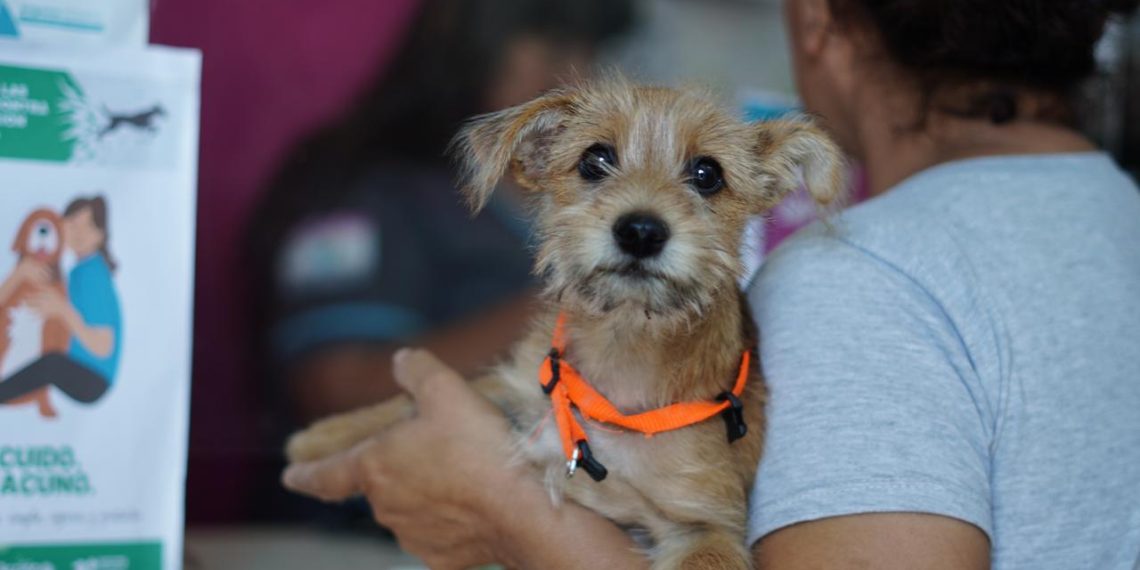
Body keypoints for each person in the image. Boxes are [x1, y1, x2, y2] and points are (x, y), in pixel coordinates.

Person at [283, 1, 1140, 568]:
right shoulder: (1122, 215)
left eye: (704, 176)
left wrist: (506, 514)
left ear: (816, 19)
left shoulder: (858, 277)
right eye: (599, 162)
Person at [246, 0, 634, 428]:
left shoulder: (575, 196)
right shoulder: (370, 192)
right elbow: (336, 392)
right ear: (472, 48)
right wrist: (567, 313)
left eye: (590, 55)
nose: (576, 82)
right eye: (556, 51)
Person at [0, 196, 122, 405]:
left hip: (92, 377)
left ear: (100, 234)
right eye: (73, 224)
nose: (79, 233)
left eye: (88, 226)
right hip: (76, 365)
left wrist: (62, 311)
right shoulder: (75, 272)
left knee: (50, 363)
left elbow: (103, 346)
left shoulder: (92, 275)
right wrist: (19, 276)